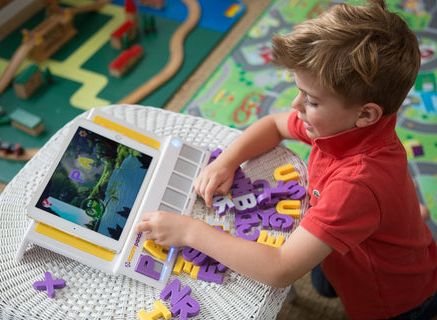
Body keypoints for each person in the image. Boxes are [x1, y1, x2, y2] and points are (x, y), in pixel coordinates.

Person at [135, 0, 437, 318]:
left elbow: (281, 269)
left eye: (311, 100)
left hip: (393, 300)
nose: (296, 105)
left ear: (365, 114)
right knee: (325, 281)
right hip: (352, 238)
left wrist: (190, 232)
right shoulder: (345, 126)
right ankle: (403, 218)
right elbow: (274, 125)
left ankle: (404, 222)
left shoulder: (357, 184)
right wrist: (228, 161)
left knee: (333, 286)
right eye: (299, 92)